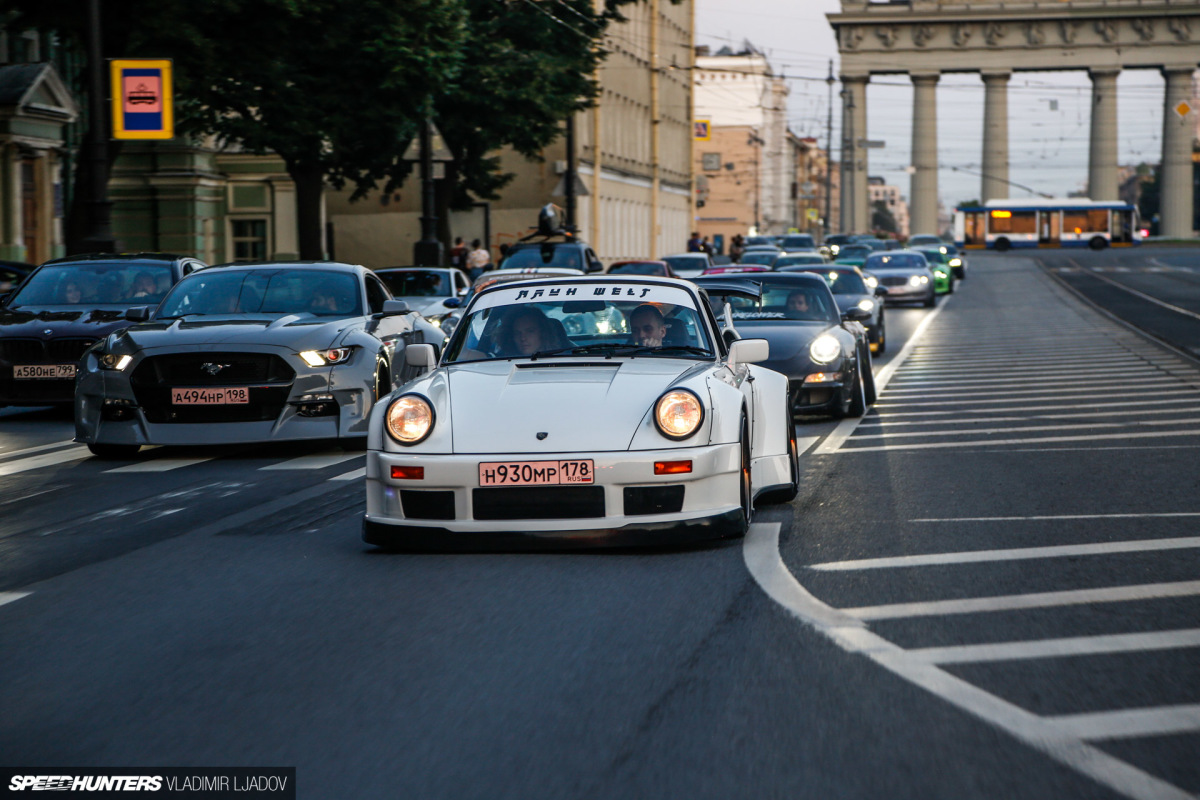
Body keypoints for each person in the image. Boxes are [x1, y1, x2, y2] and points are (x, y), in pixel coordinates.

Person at [497, 307, 562, 357]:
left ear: (543, 333)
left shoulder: (562, 360)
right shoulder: (499, 362)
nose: (523, 338)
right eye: (517, 333)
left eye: (530, 331)